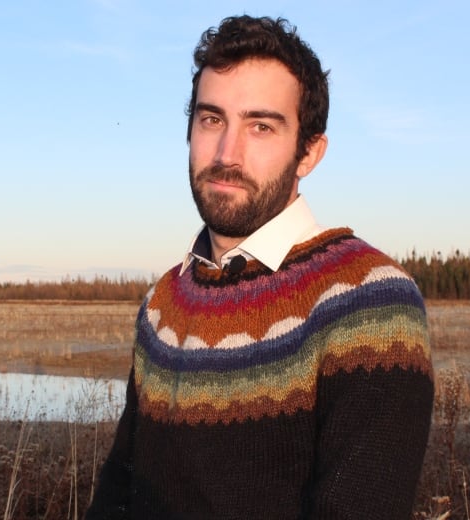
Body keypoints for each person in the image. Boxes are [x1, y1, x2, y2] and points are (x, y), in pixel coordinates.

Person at [86, 15, 433, 519]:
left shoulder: (370, 305)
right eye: (211, 119)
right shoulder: (162, 304)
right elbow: (116, 498)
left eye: (261, 126)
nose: (228, 153)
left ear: (309, 152)